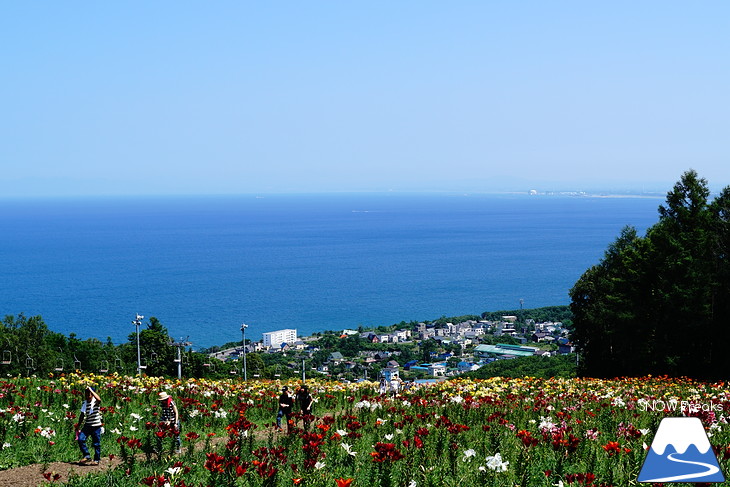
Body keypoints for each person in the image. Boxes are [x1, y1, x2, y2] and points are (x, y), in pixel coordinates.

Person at [76, 386, 103, 465]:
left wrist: (91, 389)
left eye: (89, 394)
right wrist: (78, 425)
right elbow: (82, 415)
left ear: (92, 395)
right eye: (86, 394)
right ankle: (87, 455)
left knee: (96, 443)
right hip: (88, 425)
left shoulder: (95, 402)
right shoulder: (85, 403)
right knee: (81, 439)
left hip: (96, 426)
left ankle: (97, 459)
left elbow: (99, 399)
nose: (87, 396)